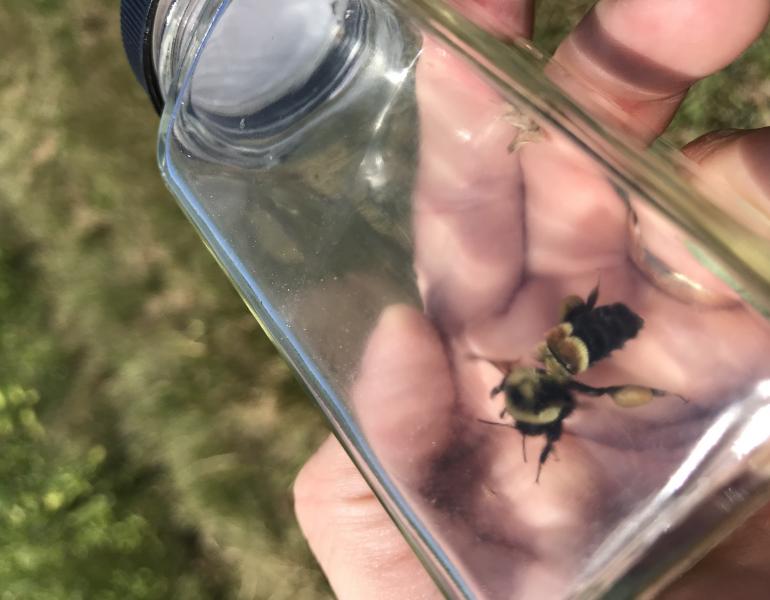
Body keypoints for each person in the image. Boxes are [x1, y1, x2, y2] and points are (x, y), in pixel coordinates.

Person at [294, 0, 770, 597]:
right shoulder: (547, 378)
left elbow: (550, 386)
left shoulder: (553, 387)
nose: (509, 396)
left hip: (588, 340)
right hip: (587, 339)